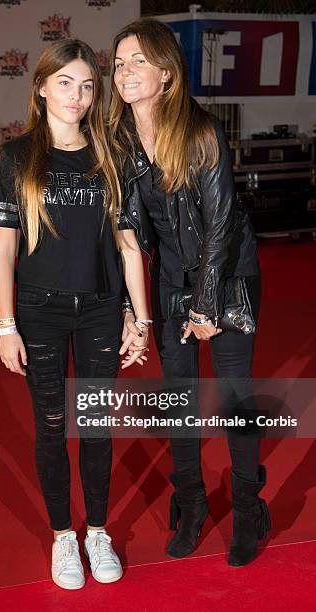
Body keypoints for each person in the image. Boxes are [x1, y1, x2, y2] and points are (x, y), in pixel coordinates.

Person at [0, 39, 150, 590]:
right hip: (39, 314)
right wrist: (7, 326)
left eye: (86, 85)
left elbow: (128, 247)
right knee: (53, 429)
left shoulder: (111, 156)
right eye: (64, 83)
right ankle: (63, 538)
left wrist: (138, 317)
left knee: (98, 427)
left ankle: (97, 531)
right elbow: (4, 251)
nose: (76, 96)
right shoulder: (16, 157)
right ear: (40, 86)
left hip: (102, 310)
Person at [109, 18, 271, 567]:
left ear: (165, 72)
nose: (124, 71)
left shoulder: (200, 130)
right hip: (173, 280)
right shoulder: (124, 139)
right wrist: (136, 311)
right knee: (178, 401)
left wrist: (206, 306)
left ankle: (249, 507)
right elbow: (130, 230)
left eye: (137, 61)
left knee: (234, 398)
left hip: (228, 279)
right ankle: (193, 503)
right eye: (119, 62)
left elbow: (221, 225)